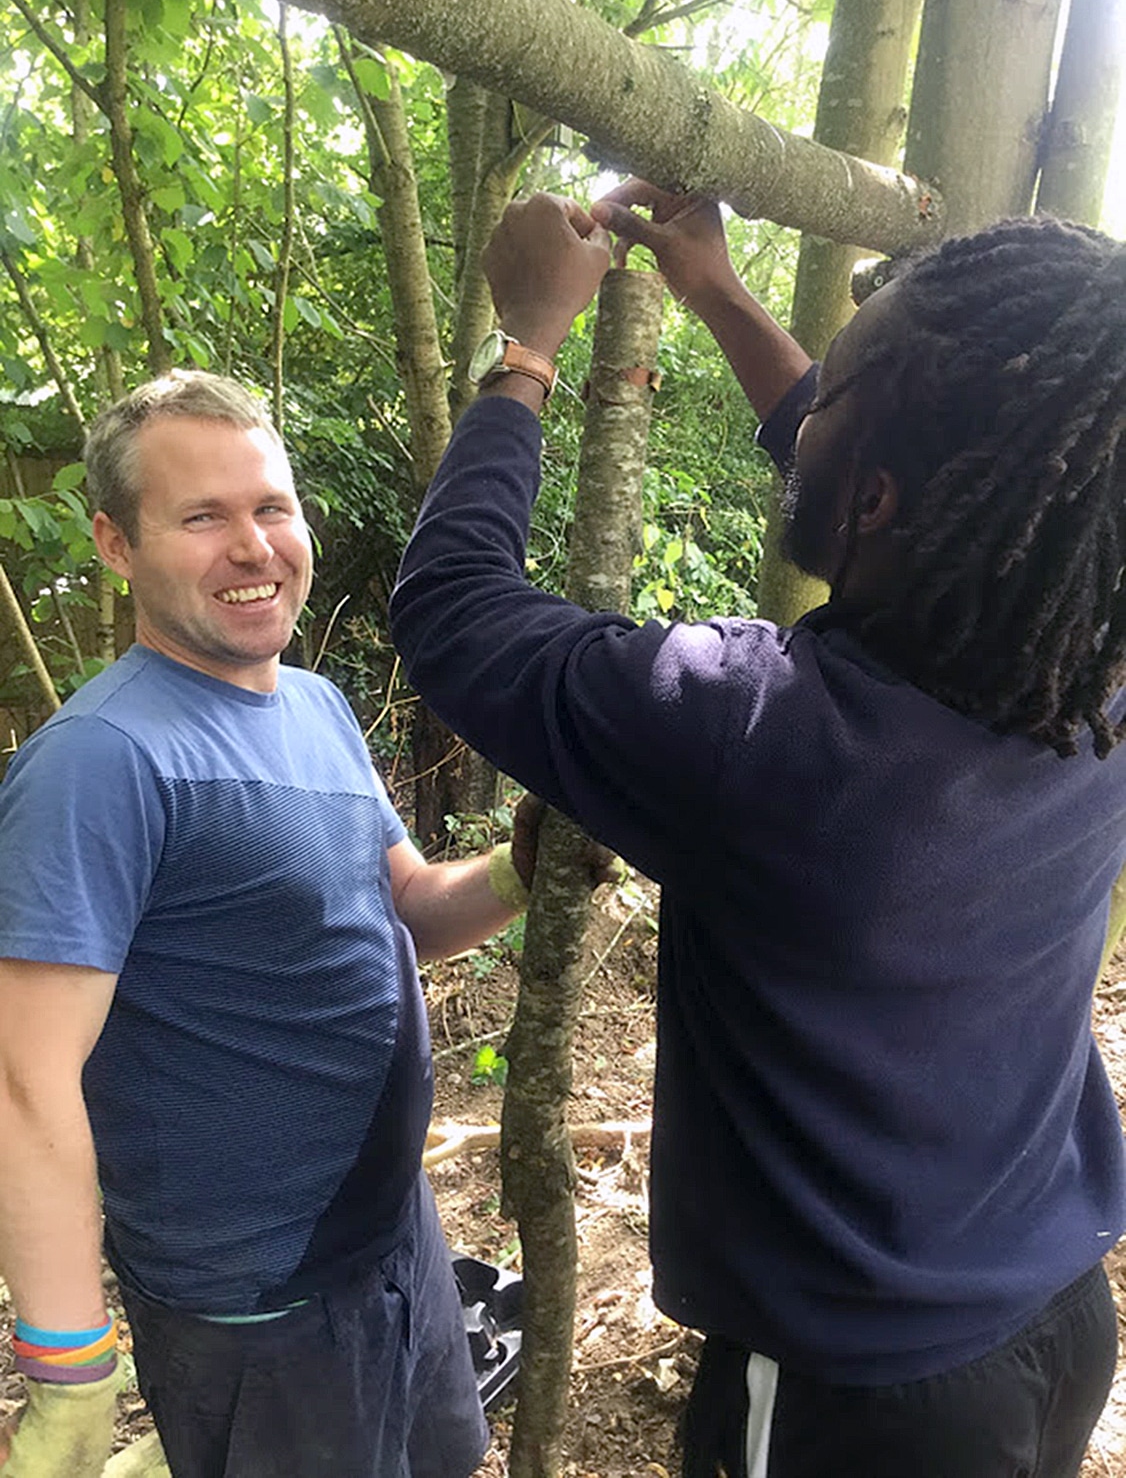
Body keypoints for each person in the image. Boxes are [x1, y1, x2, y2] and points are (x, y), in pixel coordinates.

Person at [388, 184, 1126, 1478]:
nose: (803, 412)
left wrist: (527, 349)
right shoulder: (1083, 668)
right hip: (1051, 1305)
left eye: (829, 390)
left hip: (859, 1393)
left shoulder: (754, 738)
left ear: (880, 502)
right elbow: (893, 476)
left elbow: (450, 607)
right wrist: (718, 295)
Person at [0, 370, 546, 1478]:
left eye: (270, 507)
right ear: (116, 544)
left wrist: (519, 867)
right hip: (257, 1307)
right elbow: (23, 1077)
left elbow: (400, 909)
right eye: (202, 517)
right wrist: (67, 1362)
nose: (252, 546)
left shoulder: (315, 705)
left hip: (395, 1239)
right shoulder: (100, 761)